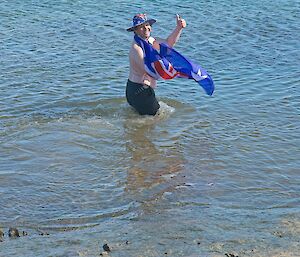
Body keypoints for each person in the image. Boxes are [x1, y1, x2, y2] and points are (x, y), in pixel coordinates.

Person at [126, 13, 186, 115]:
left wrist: (179, 28)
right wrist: (175, 70)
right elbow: (149, 69)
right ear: (135, 30)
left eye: (147, 25)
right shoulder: (137, 48)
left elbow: (168, 44)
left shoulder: (149, 41)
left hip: (138, 91)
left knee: (142, 120)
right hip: (139, 91)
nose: (145, 28)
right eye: (141, 26)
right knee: (157, 117)